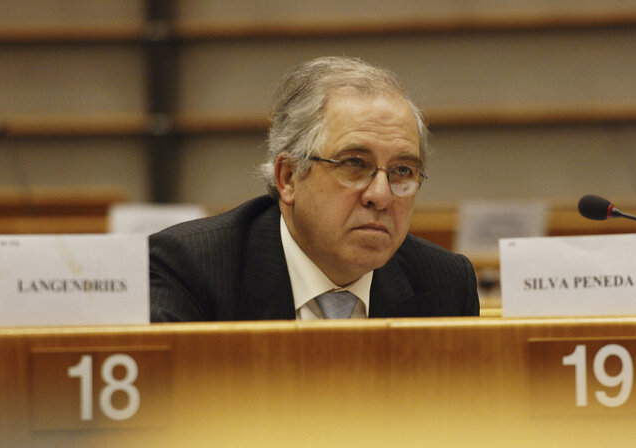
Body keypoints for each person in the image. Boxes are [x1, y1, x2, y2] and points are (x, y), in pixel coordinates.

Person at [149, 56, 479, 321]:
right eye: (354, 164)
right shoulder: (191, 270)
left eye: (402, 171)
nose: (380, 195)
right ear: (289, 178)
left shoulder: (445, 285)